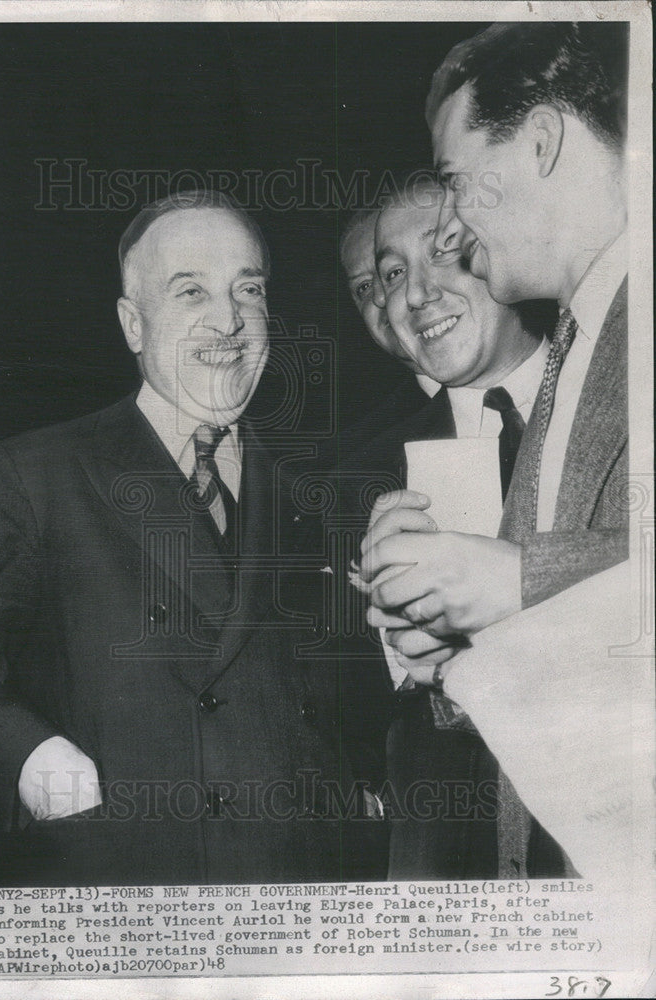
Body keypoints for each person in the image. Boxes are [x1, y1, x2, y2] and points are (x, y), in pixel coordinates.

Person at [0, 189, 381, 887]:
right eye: (190, 291)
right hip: (129, 889)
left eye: (246, 290)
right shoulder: (33, 474)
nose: (227, 320)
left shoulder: (316, 496)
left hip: (297, 896)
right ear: (133, 324)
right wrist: (35, 760)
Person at [362, 22, 628, 878]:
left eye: (453, 181)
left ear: (542, 142)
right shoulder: (575, 346)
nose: (448, 226)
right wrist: (453, 655)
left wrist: (512, 580)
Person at [344, 175, 548, 878]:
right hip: (448, 861)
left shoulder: (624, 395)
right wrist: (405, 658)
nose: (412, 294)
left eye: (445, 251)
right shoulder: (357, 479)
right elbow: (323, 703)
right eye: (391, 274)